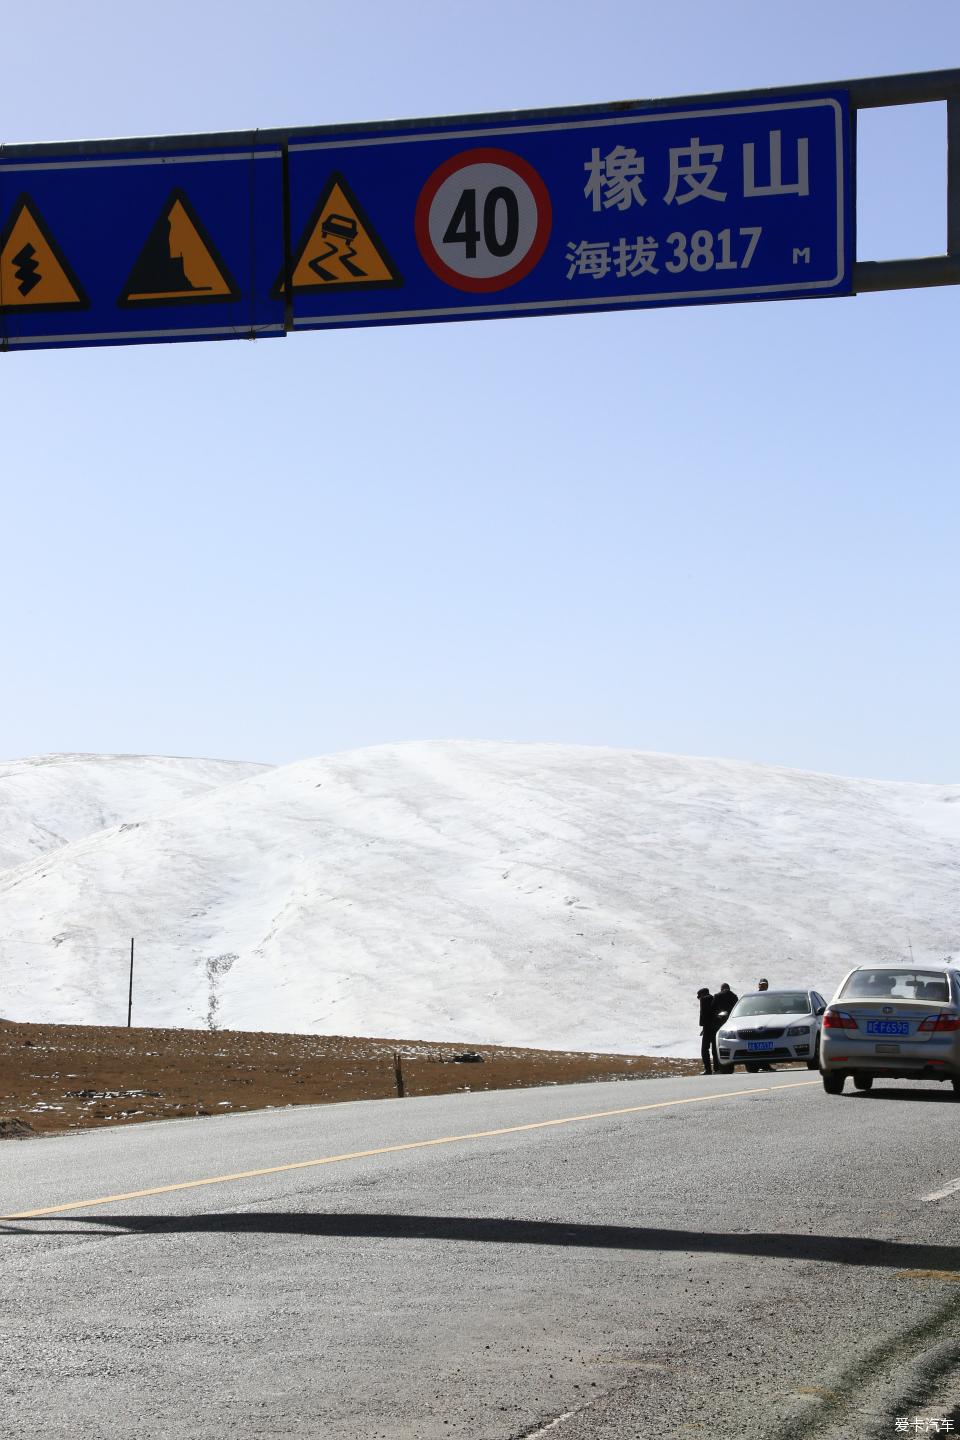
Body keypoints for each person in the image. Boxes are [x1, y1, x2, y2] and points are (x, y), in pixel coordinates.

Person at [697, 987, 718, 1074]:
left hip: (708, 1028)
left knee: (704, 1049)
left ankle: (708, 1069)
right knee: (715, 1049)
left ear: (702, 995)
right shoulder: (714, 999)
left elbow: (704, 1014)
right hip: (716, 1027)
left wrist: (703, 1026)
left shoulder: (704, 999)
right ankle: (717, 1068)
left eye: (699, 996)